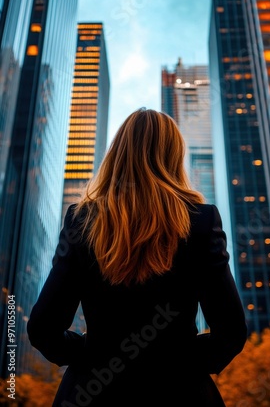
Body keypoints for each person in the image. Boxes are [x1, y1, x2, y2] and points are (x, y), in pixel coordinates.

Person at [27, 108, 247, 406]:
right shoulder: (202, 221)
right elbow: (231, 333)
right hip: (181, 394)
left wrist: (92, 356)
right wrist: (180, 362)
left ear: (117, 154)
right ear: (172, 157)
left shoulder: (81, 220)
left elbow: (43, 328)